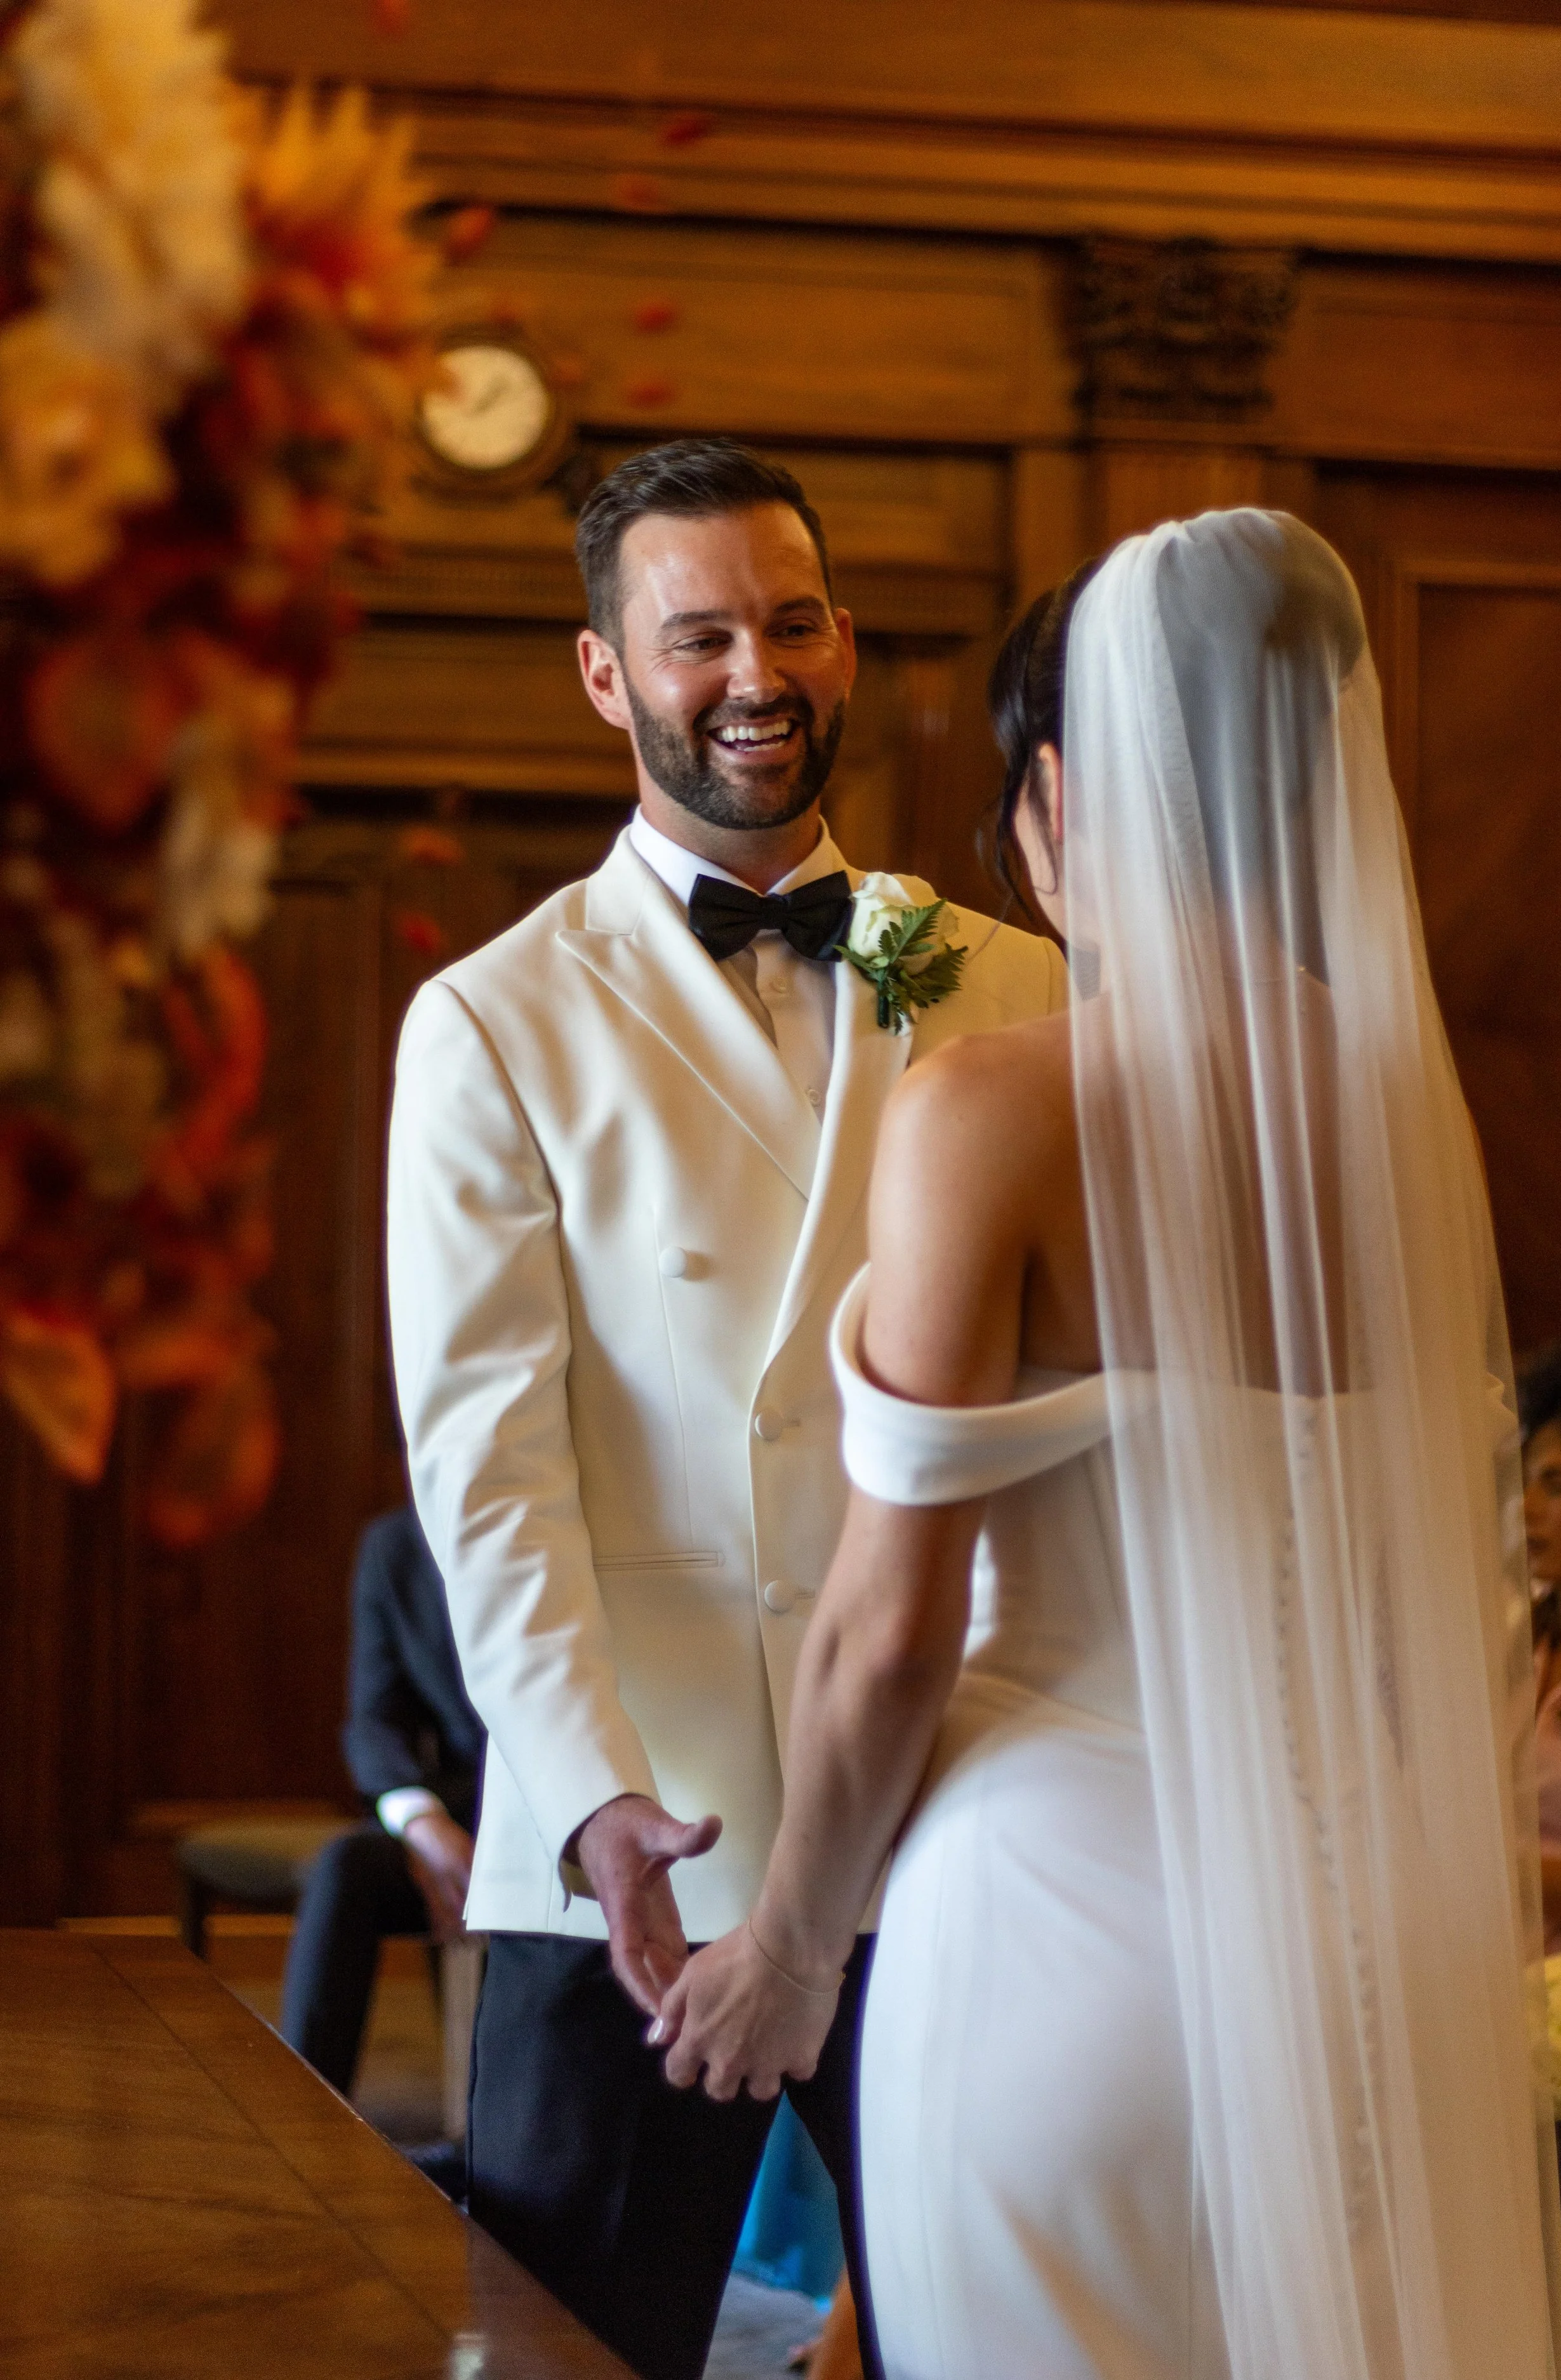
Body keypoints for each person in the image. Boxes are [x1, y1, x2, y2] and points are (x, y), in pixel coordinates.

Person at [658, 510, 1561, 2379]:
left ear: (1061, 791)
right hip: (1377, 1953)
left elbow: (886, 1632)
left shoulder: (992, 1104)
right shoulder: (1411, 1119)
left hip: (1061, 1936)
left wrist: (787, 1950)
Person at [384, 437, 1065, 2380]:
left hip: (951, 1809)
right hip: (638, 1850)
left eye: (786, 622)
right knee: (574, 2347)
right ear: (607, 674)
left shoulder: (1012, 982)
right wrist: (596, 1791)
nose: (750, 674)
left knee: (983, 2337)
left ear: (842, 639)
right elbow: (483, 1464)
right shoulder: (493, 1018)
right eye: (696, 638)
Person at [279, 1507, 482, 2096]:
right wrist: (422, 1822)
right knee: (349, 1867)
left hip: (582, 1809)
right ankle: (301, 2115)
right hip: (460, 1812)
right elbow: (374, 1723)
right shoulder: (394, 1547)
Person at [1521, 1342, 1561, 1951]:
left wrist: (1503, 1876)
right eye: (1526, 1483)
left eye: (1557, 1484)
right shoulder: (1516, 1643)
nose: (1529, 1509)